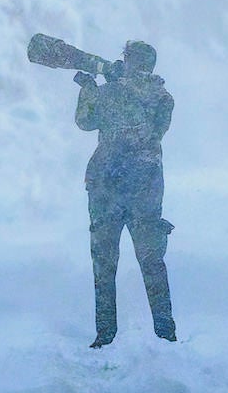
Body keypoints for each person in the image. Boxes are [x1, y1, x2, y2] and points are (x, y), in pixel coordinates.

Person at [74, 40, 176, 347]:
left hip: (106, 185)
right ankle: (165, 331)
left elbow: (85, 121)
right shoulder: (164, 97)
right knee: (152, 261)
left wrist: (89, 86)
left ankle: (105, 334)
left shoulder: (110, 92)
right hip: (146, 186)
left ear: (128, 61)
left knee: (104, 262)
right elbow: (154, 130)